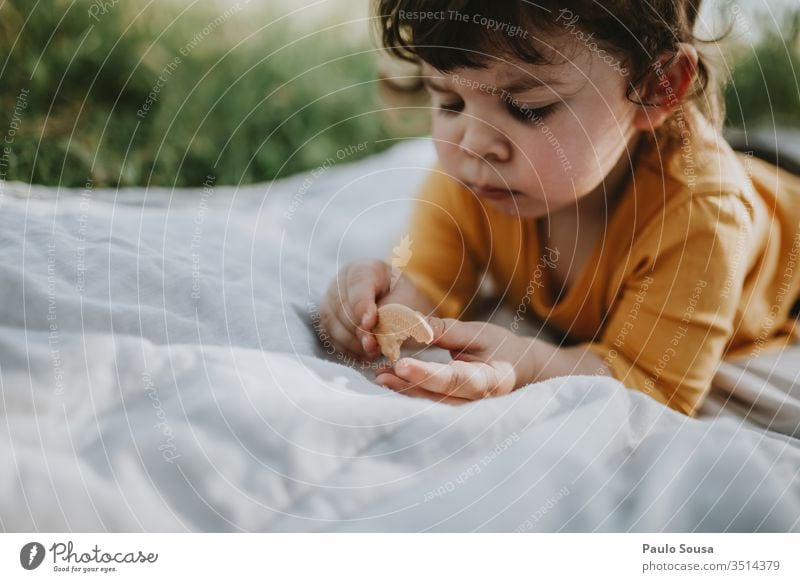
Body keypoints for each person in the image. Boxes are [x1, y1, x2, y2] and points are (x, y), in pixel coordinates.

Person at [319, 0, 800, 416]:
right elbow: (430, 284)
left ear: (658, 87)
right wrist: (376, 309)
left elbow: (651, 385)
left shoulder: (706, 216)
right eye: (449, 102)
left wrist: (528, 363)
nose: (474, 143)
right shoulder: (470, 176)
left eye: (528, 110)